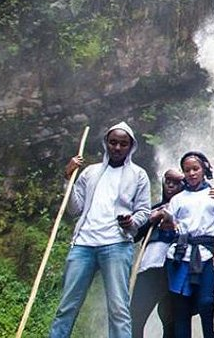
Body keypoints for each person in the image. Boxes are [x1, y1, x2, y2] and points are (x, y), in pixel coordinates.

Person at [49, 122, 151, 338]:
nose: (117, 147)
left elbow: (144, 211)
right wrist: (68, 179)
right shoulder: (90, 172)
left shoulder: (138, 175)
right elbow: (74, 208)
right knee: (67, 305)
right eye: (113, 142)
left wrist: (131, 222)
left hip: (117, 244)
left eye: (123, 144)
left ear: (131, 146)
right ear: (106, 143)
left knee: (118, 309)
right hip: (83, 244)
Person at [162, 151, 214, 338]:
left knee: (206, 303)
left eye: (195, 169)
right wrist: (169, 223)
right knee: (181, 308)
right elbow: (169, 226)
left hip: (207, 254)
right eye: (187, 170)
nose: (192, 173)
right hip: (179, 255)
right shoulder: (177, 199)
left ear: (204, 169)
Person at [131, 169, 185, 338]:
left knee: (169, 317)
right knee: (135, 316)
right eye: (168, 181)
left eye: (176, 182)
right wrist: (151, 219)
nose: (170, 185)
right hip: (150, 267)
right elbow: (134, 235)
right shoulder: (151, 210)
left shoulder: (188, 207)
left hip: (175, 266)